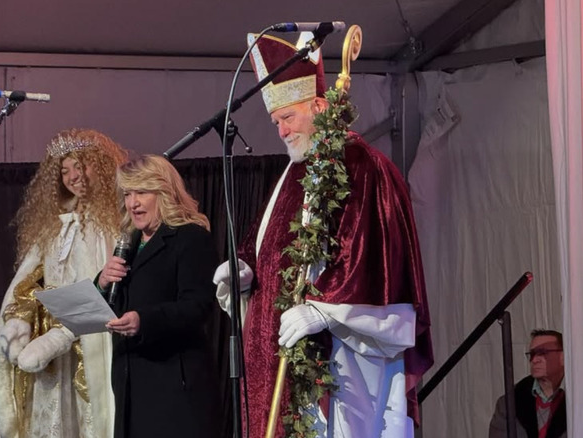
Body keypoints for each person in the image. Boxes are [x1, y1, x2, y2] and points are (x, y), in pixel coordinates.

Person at [214, 33, 434, 437]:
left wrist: (325, 308)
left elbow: (372, 253)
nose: (281, 131)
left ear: (319, 106)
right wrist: (244, 268)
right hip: (275, 345)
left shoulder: (362, 164)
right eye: (276, 122)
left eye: (288, 118)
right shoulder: (294, 170)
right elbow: (269, 240)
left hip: (335, 352)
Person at [0, 129, 128, 438]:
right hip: (52, 351)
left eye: (80, 165)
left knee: (93, 416)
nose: (73, 176)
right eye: (65, 171)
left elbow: (115, 286)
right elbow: (28, 281)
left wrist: (68, 329)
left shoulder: (115, 223)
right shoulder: (56, 226)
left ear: (100, 166)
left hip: (92, 338)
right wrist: (19, 319)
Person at [97, 155, 223, 438]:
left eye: (141, 192)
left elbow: (198, 306)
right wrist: (102, 282)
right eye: (127, 194)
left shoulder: (190, 238)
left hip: (174, 388)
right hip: (131, 385)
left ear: (164, 192)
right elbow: (113, 305)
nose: (132, 203)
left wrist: (144, 320)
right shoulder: (128, 243)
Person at [489, 329, 566, 438]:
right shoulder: (510, 402)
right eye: (532, 354)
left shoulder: (578, 397)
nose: (534, 360)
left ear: (563, 356)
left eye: (543, 353)